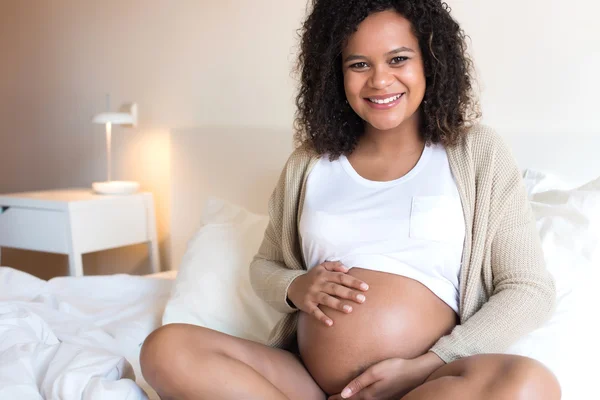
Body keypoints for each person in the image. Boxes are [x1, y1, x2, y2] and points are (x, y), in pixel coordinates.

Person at [140, 1, 562, 399]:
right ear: (334, 74)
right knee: (166, 348)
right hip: (308, 385)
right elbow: (265, 265)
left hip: (425, 383)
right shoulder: (309, 162)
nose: (379, 80)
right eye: (359, 64)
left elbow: (528, 289)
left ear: (431, 61)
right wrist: (296, 286)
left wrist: (428, 364)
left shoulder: (475, 153)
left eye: (398, 59)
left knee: (529, 383)